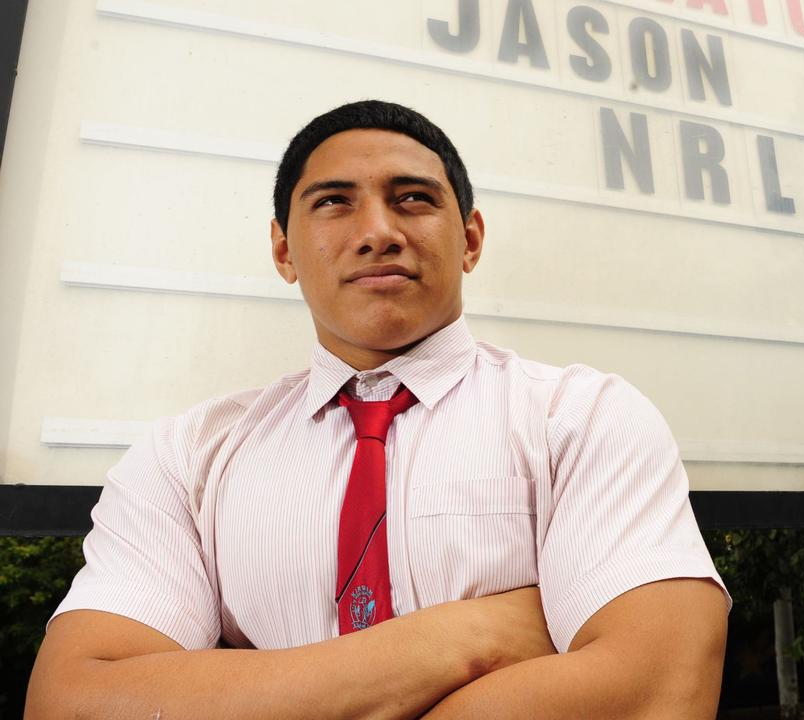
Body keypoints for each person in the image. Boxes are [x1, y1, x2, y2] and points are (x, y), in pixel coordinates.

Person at [26, 100, 730, 719]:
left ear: (472, 239)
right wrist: (467, 637)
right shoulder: (186, 458)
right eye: (334, 201)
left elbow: (653, 694)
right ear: (283, 250)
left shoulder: (581, 418)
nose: (377, 230)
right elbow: (76, 704)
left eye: (413, 199)